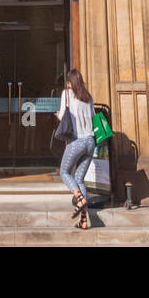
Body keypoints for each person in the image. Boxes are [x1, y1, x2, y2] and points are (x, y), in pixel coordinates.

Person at [56, 68, 96, 230]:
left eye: (68, 81)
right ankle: (84, 221)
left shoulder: (67, 94)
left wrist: (58, 114)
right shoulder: (88, 97)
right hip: (90, 141)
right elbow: (93, 118)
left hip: (76, 141)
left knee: (64, 173)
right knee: (79, 179)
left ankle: (79, 198)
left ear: (71, 82)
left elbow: (63, 117)